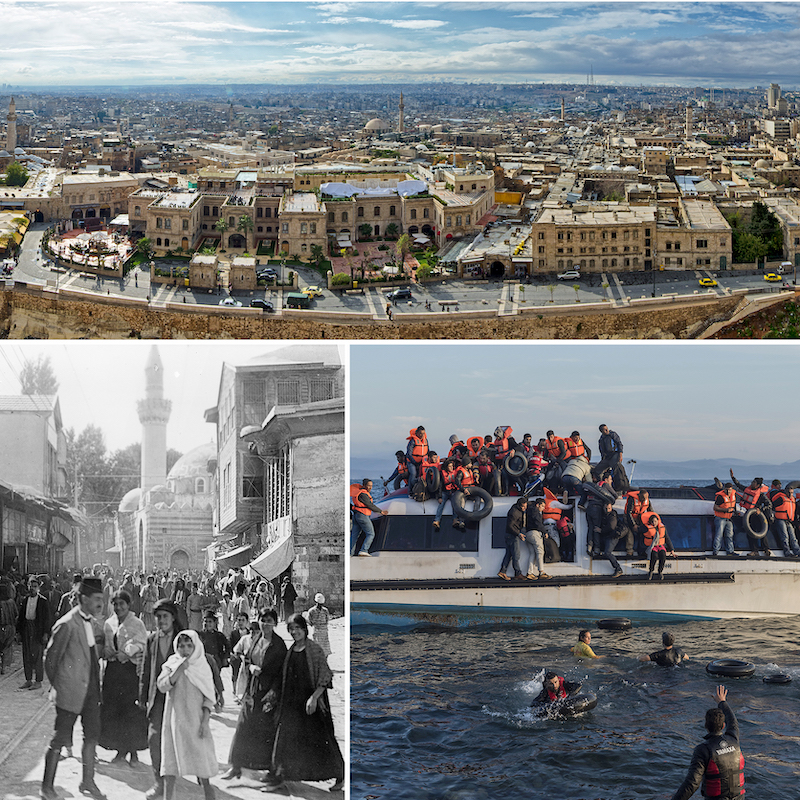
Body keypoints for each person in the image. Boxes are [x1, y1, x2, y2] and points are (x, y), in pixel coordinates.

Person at [41, 577, 107, 800]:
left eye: (102, 599)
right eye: (97, 599)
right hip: (70, 694)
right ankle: (47, 788)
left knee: (91, 737)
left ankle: (87, 782)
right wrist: (61, 686)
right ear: (84, 599)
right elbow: (50, 660)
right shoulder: (67, 623)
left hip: (90, 693)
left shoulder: (93, 623)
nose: (100, 603)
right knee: (59, 739)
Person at [272, 614, 345, 792]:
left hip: (312, 704)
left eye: (298, 628)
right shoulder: (291, 650)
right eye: (291, 629)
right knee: (286, 738)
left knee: (321, 739)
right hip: (293, 704)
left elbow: (326, 675)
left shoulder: (314, 649)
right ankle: (281, 777)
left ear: (305, 629)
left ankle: (340, 775)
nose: (295, 632)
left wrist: (314, 698)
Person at [222, 608, 287, 784]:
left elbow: (281, 673)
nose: (266, 624)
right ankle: (236, 766)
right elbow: (248, 658)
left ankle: (272, 771)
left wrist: (273, 695)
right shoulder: (256, 639)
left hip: (268, 694)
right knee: (243, 726)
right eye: (263, 620)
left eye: (269, 620)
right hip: (252, 690)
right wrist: (251, 668)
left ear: (275, 622)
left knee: (266, 731)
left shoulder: (279, 645)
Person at [156, 629, 218, 800]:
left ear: (196, 646)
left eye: (189, 645)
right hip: (175, 721)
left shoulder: (202, 665)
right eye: (181, 645)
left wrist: (205, 722)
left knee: (201, 759)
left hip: (196, 721)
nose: (185, 649)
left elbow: (209, 698)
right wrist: (178, 670)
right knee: (171, 762)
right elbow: (162, 685)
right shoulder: (172, 663)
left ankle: (208, 793)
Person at [99, 589, 148, 765]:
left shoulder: (137, 623)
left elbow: (142, 642)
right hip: (112, 671)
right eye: (115, 604)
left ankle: (133, 752)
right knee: (114, 709)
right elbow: (106, 644)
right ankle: (120, 750)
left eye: (122, 604)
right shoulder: (109, 623)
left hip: (129, 672)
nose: (119, 607)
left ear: (129, 605)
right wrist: (107, 652)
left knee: (130, 711)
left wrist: (127, 652)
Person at [670, 686, 744, 800]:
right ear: (723, 726)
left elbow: (692, 783)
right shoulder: (733, 739)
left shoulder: (703, 750)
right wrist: (722, 702)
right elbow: (732, 720)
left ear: (706, 726)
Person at [140, 599, 181, 800]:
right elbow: (146, 669)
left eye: (165, 616)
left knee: (181, 741)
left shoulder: (184, 639)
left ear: (173, 618)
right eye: (158, 617)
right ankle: (159, 782)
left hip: (179, 699)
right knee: (154, 739)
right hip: (157, 699)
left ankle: (201, 775)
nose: (161, 620)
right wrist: (142, 696)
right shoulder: (152, 639)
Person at [17, 574, 52, 690]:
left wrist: (46, 634)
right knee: (26, 655)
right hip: (27, 628)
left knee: (37, 656)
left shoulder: (43, 601)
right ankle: (28, 680)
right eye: (30, 586)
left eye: (35, 586)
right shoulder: (25, 600)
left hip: (38, 630)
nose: (32, 588)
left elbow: (47, 619)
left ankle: (38, 681)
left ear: (39, 587)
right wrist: (19, 632)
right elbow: (21, 617)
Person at [729, 472, 771, 557]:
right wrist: (733, 477)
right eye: (752, 482)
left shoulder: (761, 495)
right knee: (750, 533)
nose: (752, 483)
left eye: (754, 482)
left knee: (762, 533)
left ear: (758, 485)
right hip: (749, 516)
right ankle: (754, 551)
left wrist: (761, 510)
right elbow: (738, 485)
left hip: (758, 516)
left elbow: (769, 504)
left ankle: (766, 549)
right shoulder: (748, 489)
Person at [350, 479, 387, 556]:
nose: (370, 487)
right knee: (371, 534)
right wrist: (381, 511)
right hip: (362, 516)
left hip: (356, 515)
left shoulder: (359, 493)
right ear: (364, 485)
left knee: (354, 536)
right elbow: (369, 505)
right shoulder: (363, 495)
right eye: (369, 485)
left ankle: (350, 553)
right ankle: (364, 550)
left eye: (371, 486)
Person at [641, 510, 676, 580]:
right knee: (654, 556)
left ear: (658, 521)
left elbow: (667, 538)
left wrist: (672, 550)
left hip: (660, 545)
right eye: (652, 521)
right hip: (652, 546)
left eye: (655, 521)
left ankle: (660, 571)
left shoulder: (662, 528)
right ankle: (651, 571)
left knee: (663, 555)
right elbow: (640, 534)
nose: (654, 523)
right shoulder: (646, 528)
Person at [498, 496, 527, 581]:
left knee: (509, 554)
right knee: (516, 555)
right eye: (523, 507)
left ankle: (502, 571)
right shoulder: (515, 512)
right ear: (519, 505)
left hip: (509, 535)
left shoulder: (516, 509)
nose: (525, 508)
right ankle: (518, 573)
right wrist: (519, 534)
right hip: (512, 535)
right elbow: (510, 526)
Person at [768, 481, 800, 557]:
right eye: (789, 492)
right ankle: (787, 552)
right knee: (784, 537)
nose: (790, 494)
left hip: (789, 520)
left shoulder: (792, 499)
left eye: (792, 493)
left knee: (793, 537)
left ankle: (797, 552)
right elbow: (772, 506)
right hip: (780, 520)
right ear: (785, 492)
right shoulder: (781, 498)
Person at [523, 497, 552, 580]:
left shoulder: (529, 510)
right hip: (534, 533)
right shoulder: (536, 511)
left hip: (527, 533)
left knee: (532, 553)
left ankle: (529, 573)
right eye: (542, 506)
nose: (543, 508)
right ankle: (541, 572)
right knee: (540, 551)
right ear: (537, 505)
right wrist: (545, 532)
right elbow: (538, 523)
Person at [595, 424, 628, 490]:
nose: (607, 430)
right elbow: (602, 451)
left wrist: (620, 455)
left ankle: (618, 487)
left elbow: (619, 444)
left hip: (615, 455)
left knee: (616, 469)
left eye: (607, 428)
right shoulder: (601, 440)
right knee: (597, 470)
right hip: (607, 457)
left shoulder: (613, 435)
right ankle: (602, 485)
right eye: (605, 429)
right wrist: (603, 460)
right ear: (601, 431)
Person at [599, 501, 626, 579]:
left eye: (609, 508)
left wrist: (601, 530)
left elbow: (611, 527)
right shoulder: (605, 514)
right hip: (608, 536)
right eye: (606, 508)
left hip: (613, 537)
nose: (607, 510)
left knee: (607, 552)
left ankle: (618, 568)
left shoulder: (612, 516)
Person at [228, 611, 251, 701]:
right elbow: (230, 645)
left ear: (247, 621)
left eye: (243, 620)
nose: (240, 622)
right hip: (236, 657)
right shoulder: (234, 633)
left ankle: (245, 694)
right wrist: (232, 655)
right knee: (235, 675)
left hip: (247, 659)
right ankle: (235, 693)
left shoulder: (250, 633)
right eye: (239, 620)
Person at [713, 483, 739, 557]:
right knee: (718, 535)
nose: (728, 492)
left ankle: (730, 551)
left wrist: (735, 512)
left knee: (730, 535)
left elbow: (733, 505)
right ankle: (715, 551)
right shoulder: (720, 497)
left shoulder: (733, 494)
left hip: (729, 518)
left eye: (730, 490)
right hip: (720, 518)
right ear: (724, 489)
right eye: (727, 490)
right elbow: (715, 507)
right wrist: (725, 510)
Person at [0, 580, 18, 675]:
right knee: (7, 648)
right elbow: (16, 615)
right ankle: (3, 667)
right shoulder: (11, 602)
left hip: (1, 627)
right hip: (11, 628)